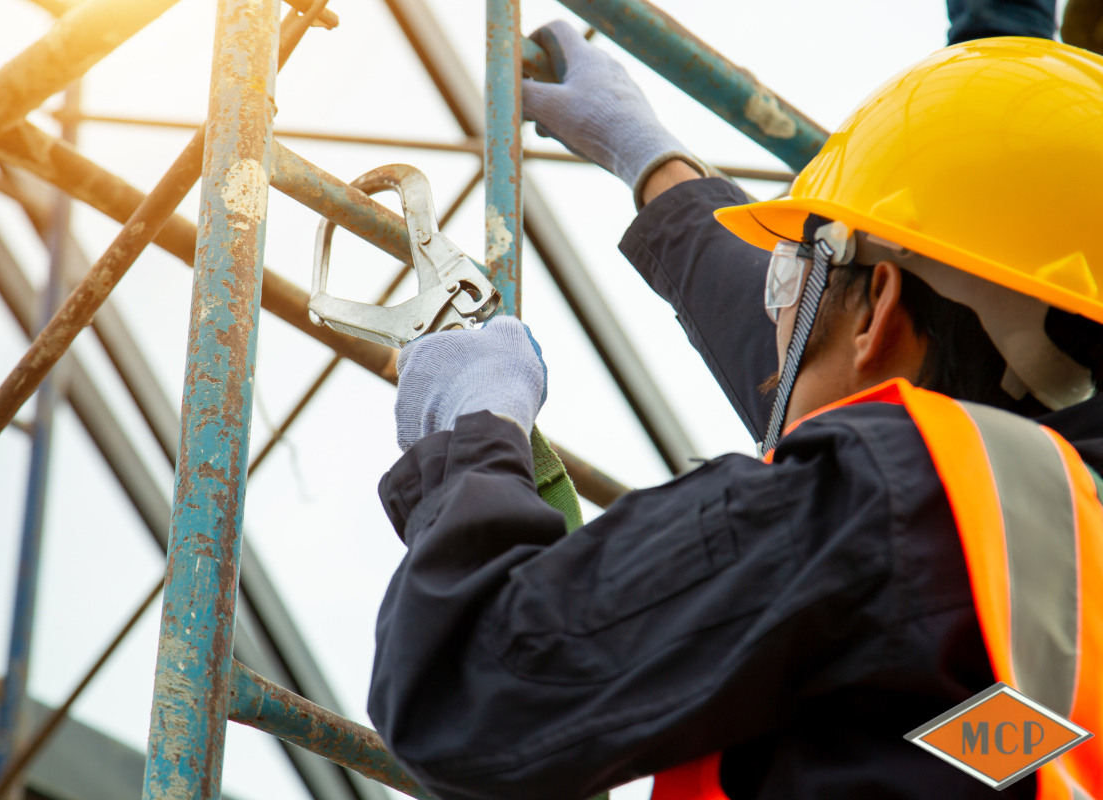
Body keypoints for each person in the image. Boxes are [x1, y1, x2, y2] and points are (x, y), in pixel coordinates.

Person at [367, 23, 1103, 800]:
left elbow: (470, 686)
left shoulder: (883, 497)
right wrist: (647, 156)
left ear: (878, 306)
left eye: (787, 277)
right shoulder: (1042, 561)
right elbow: (805, 362)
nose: (770, 311)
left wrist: (469, 433)